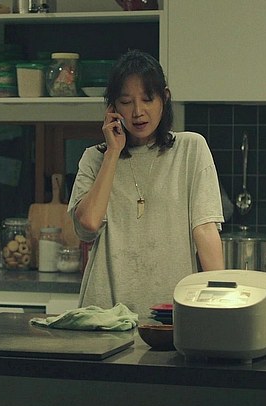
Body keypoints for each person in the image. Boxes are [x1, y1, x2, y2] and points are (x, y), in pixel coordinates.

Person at [68, 49, 225, 314]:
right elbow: (89, 224)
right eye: (126, 102)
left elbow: (205, 229)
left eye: (147, 99)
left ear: (165, 98)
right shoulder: (94, 158)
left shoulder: (191, 149)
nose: (138, 112)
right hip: (104, 314)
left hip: (168, 313)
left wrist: (222, 301)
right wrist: (113, 152)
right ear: (113, 108)